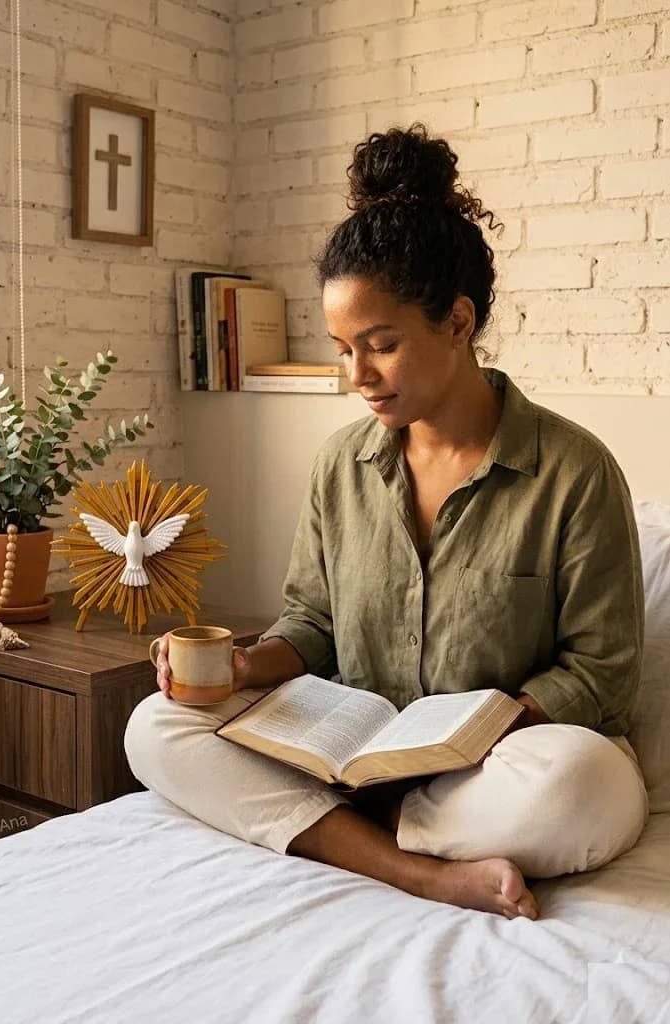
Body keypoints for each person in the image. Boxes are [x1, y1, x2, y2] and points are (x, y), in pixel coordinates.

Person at [124, 124, 649, 921]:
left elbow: (599, 673)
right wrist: (238, 669)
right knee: (157, 726)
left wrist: (470, 733)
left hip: (493, 765)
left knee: (582, 787)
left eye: (379, 346)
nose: (356, 377)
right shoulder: (343, 465)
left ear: (458, 322)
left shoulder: (573, 471)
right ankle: (417, 869)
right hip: (354, 752)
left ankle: (335, 829)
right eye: (341, 349)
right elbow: (310, 625)